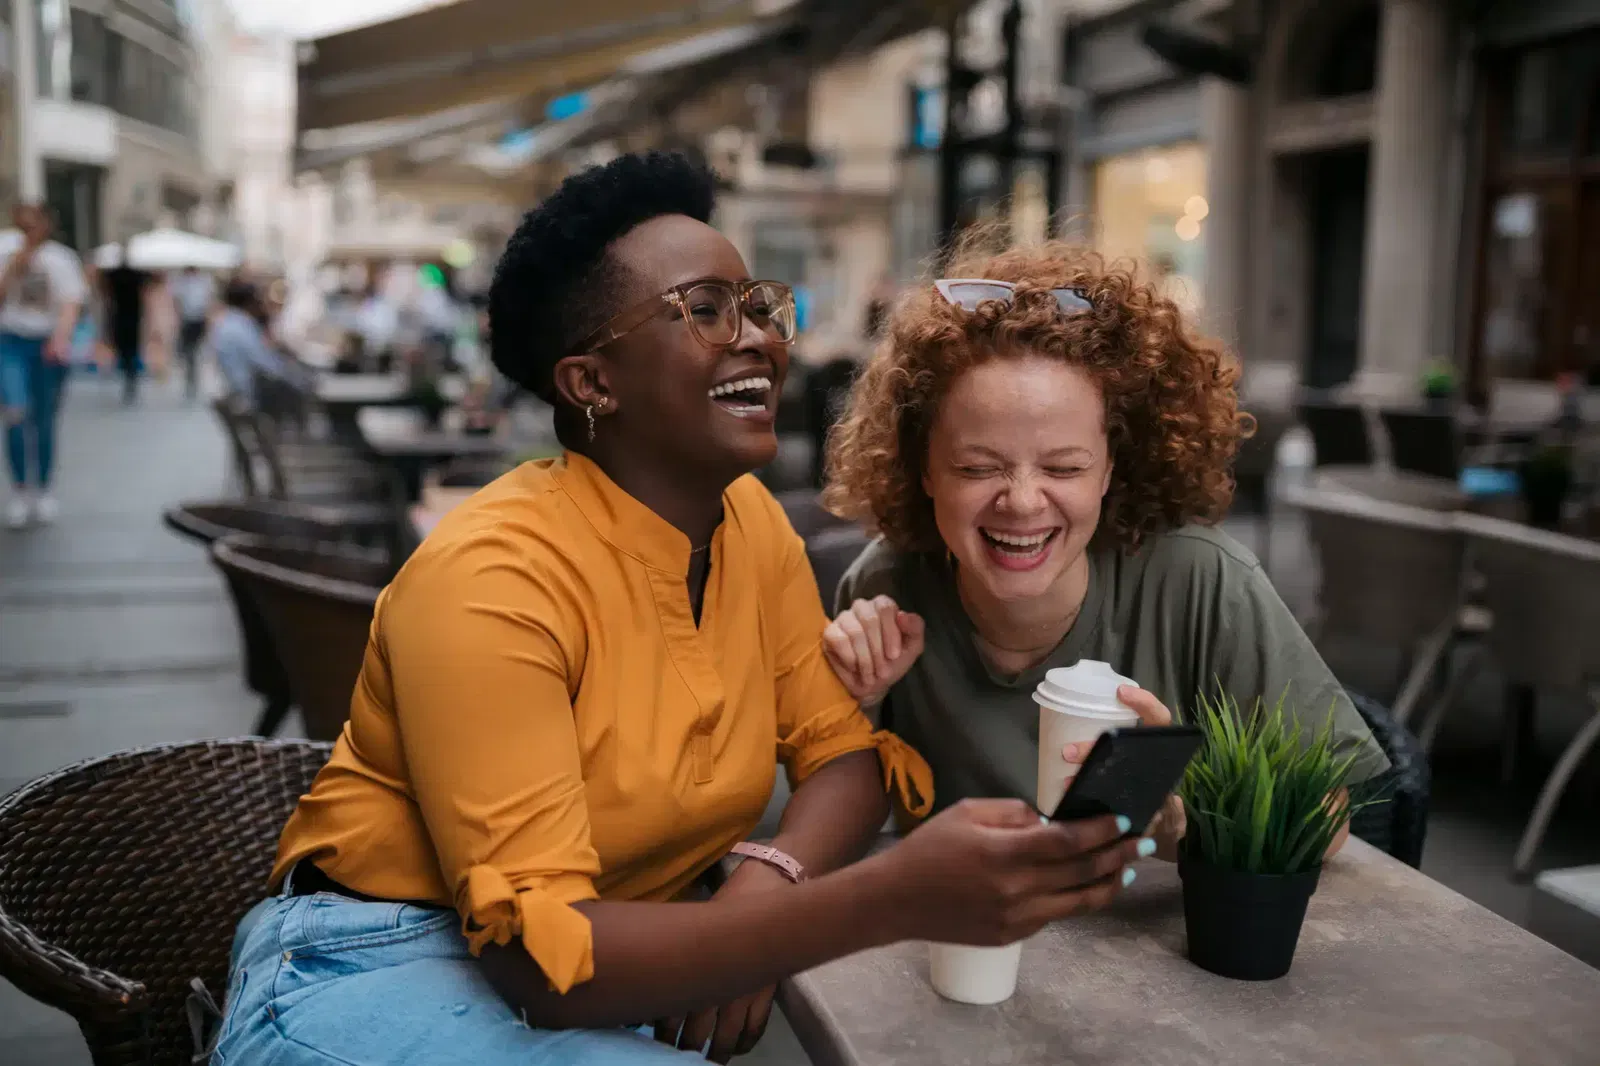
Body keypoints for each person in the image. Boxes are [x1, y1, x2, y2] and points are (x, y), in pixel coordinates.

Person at [209, 153, 1147, 1066]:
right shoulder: (491, 579)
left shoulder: (748, 525)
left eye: (757, 305)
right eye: (704, 310)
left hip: (630, 956)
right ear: (592, 383)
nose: (759, 335)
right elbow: (546, 963)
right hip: (367, 963)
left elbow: (844, 761)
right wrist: (886, 898)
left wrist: (757, 913)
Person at [819, 235, 1390, 858]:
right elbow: (846, 822)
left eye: (1064, 469)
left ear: (1112, 468)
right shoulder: (886, 588)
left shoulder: (1199, 581)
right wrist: (859, 704)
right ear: (924, 468)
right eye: (978, 468)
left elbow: (1328, 819)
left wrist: (1190, 812)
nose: (1023, 501)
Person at [0, 203, 87, 529]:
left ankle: (44, 489)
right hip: (10, 341)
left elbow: (70, 303)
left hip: (47, 343)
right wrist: (13, 267)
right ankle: (21, 490)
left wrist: (59, 339)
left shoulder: (61, 258)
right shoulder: (5, 249)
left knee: (45, 420)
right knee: (16, 412)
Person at [209, 279, 302, 409]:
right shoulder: (242, 325)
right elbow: (264, 362)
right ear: (251, 301)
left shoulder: (226, 322)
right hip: (249, 389)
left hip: (236, 384)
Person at [101, 258, 152, 405]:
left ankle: (129, 375)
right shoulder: (136, 276)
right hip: (130, 318)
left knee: (126, 350)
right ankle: (130, 375)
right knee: (129, 350)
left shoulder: (115, 276)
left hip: (123, 317)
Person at [171, 266, 215, 399]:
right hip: (188, 320)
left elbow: (207, 302)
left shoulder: (203, 282)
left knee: (195, 350)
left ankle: (194, 375)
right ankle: (191, 375)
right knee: (189, 351)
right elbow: (177, 302)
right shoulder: (182, 283)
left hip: (198, 320)